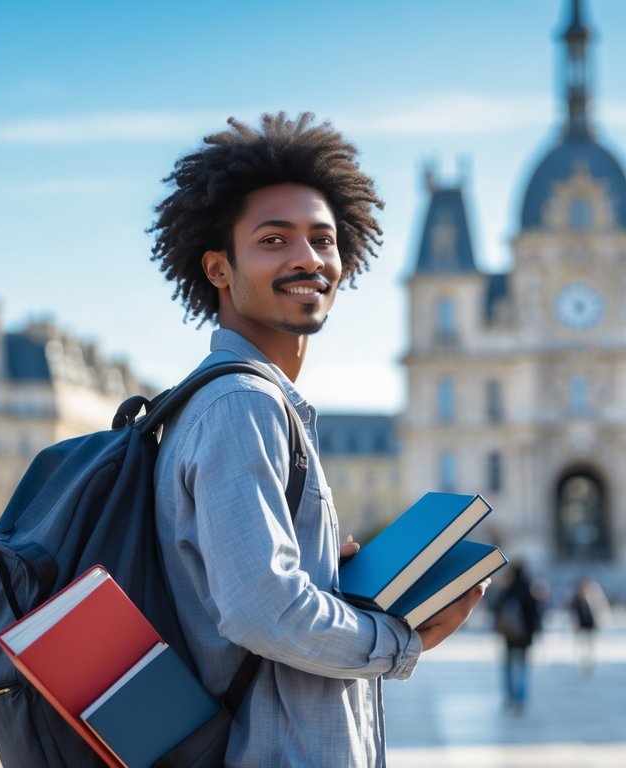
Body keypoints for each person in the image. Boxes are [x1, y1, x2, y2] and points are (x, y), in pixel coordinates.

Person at [149, 112, 486, 767]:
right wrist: (398, 640)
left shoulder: (244, 401)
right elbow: (261, 609)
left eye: (321, 239)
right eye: (273, 240)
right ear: (218, 268)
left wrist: (329, 578)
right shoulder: (241, 403)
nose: (306, 257)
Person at [493, 560, 543, 714]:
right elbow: (535, 614)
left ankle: (509, 696)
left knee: (508, 666)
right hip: (525, 636)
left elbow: (497, 609)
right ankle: (521, 699)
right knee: (522, 667)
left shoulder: (508, 590)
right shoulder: (528, 589)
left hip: (509, 635)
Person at [569, 578, 605, 676]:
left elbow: (598, 611)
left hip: (590, 626)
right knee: (582, 646)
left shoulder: (592, 598)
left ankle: (589, 662)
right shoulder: (577, 599)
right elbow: (573, 613)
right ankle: (583, 662)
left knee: (590, 645)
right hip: (581, 626)